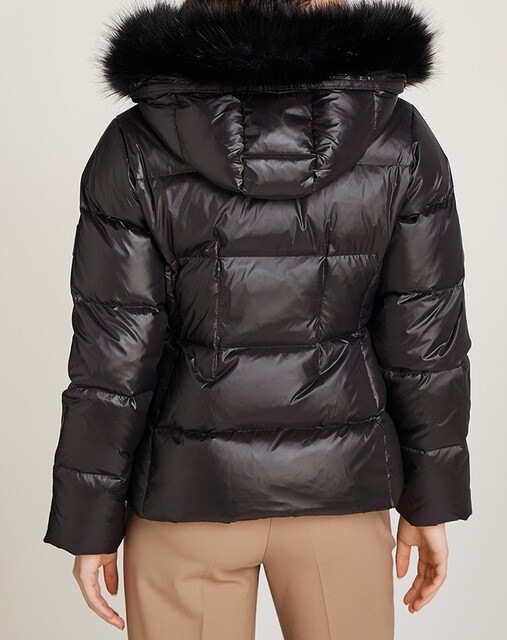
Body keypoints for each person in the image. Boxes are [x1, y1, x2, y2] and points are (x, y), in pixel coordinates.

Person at [44, 1, 472, 638]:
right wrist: (430, 499)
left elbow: (114, 359)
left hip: (187, 495)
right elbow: (426, 341)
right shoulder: (399, 137)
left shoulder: (136, 143)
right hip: (339, 488)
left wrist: (90, 523)